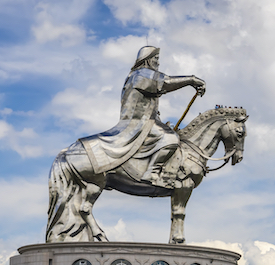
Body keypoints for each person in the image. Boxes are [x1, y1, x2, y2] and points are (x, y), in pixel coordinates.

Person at [80, 46, 206, 186]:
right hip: (139, 123)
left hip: (145, 121)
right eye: (156, 59)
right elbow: (166, 82)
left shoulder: (138, 75)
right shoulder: (142, 74)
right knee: (171, 138)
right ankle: (152, 173)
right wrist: (192, 80)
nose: (158, 63)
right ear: (147, 60)